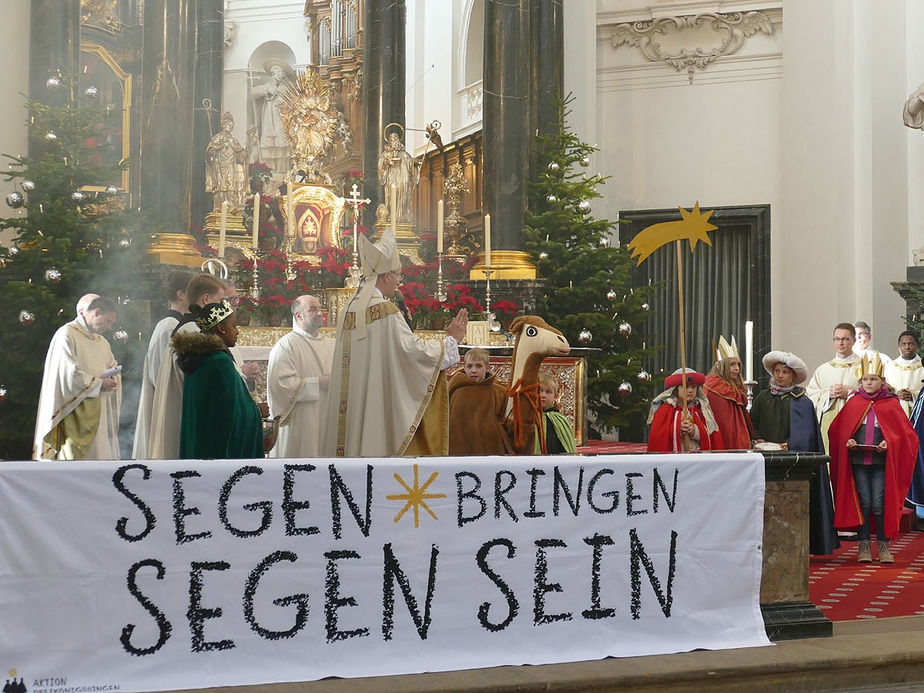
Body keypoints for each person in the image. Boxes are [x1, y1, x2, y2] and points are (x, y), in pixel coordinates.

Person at [319, 228, 468, 457]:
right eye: (399, 276)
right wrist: (450, 341)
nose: (399, 281)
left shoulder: (349, 308)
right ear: (387, 275)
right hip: (372, 412)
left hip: (348, 412)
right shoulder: (385, 310)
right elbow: (412, 353)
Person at [828, 354, 918, 563]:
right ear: (861, 382)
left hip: (880, 463)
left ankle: (884, 546)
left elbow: (907, 436)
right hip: (859, 462)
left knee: (879, 503)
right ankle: (864, 546)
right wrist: (848, 441)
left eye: (873, 379)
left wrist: (890, 443)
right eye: (866, 380)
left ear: (882, 382)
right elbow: (838, 430)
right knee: (864, 503)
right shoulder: (854, 402)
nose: (869, 383)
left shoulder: (891, 403)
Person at [751, 351, 838, 555]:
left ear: (793, 376)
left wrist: (789, 444)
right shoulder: (763, 397)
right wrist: (757, 438)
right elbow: (752, 421)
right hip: (764, 456)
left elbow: (806, 433)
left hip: (792, 461)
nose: (780, 376)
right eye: (777, 371)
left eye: (785, 372)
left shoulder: (802, 402)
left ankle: (797, 542)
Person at [148, 273, 228, 459]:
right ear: (206, 299)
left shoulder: (196, 328)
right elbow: (159, 373)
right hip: (182, 408)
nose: (224, 307)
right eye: (222, 301)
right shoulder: (182, 329)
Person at [33, 295, 121, 460]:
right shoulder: (66, 335)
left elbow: (112, 366)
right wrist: (98, 383)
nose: (109, 328)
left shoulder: (102, 342)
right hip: (72, 414)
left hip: (99, 415)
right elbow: (68, 375)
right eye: (108, 321)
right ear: (96, 312)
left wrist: (113, 378)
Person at [174, 299, 263, 459]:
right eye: (233, 326)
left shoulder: (197, 357)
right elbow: (232, 412)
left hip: (201, 445)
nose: (237, 332)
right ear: (221, 328)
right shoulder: (219, 361)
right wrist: (257, 412)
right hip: (218, 453)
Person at [132, 270, 193, 459]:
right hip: (166, 405)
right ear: (181, 294)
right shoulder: (167, 326)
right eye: (193, 291)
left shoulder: (179, 324)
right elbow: (158, 374)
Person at [266, 294, 335, 458]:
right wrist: (318, 384)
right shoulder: (286, 345)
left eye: (319, 308)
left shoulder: (333, 344)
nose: (320, 313)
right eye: (313, 309)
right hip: (301, 423)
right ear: (298, 315)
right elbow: (281, 385)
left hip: (327, 419)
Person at [806, 323, 861, 453]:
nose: (840, 343)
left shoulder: (865, 367)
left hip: (855, 422)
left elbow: (874, 395)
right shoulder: (823, 369)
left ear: (853, 340)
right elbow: (811, 394)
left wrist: (849, 393)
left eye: (845, 339)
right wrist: (827, 395)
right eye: (837, 339)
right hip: (828, 420)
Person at [448, 347, 513, 455]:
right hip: (460, 447)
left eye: (478, 366)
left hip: (490, 448)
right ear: (464, 368)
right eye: (469, 366)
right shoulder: (455, 390)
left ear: (487, 368)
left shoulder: (499, 392)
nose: (473, 370)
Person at [647, 369, 723, 453]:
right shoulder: (665, 410)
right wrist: (677, 429)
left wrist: (694, 431)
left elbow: (712, 437)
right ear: (676, 389)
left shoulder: (703, 411)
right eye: (685, 386)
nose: (690, 390)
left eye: (693, 387)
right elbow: (658, 438)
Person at [704, 336, 752, 449]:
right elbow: (723, 424)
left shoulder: (736, 388)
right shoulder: (714, 389)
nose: (737, 369)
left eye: (738, 365)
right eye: (732, 364)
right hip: (723, 446)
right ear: (720, 366)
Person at [251, 59, 295, 174]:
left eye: (276, 70)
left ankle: (283, 173)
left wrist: (283, 100)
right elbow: (254, 92)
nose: (273, 73)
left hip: (281, 120)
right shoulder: (268, 85)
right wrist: (266, 90)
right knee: (269, 147)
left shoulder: (289, 87)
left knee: (282, 146)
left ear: (283, 73)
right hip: (268, 121)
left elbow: (294, 103)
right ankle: (269, 174)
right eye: (272, 72)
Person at [205, 111, 248, 212]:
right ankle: (218, 207)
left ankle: (231, 206)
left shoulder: (234, 140)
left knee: (230, 185)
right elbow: (209, 152)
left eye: (231, 124)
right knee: (219, 186)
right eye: (227, 123)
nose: (229, 126)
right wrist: (211, 152)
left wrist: (244, 153)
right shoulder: (217, 138)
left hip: (230, 166)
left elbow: (240, 157)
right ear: (223, 124)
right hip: (219, 166)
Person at [376, 129, 415, 224]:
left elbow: (411, 163)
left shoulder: (404, 154)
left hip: (403, 179)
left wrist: (416, 164)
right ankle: (391, 217)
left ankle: (402, 217)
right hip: (392, 178)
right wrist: (387, 162)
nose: (395, 140)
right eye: (392, 138)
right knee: (392, 196)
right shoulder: (386, 153)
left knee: (404, 196)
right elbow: (380, 164)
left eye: (396, 137)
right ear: (389, 141)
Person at [885, 330, 924, 417]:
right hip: (895, 413)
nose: (907, 347)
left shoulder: (922, 367)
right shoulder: (890, 367)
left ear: (918, 346)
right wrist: (896, 394)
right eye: (904, 344)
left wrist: (912, 396)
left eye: (911, 344)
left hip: (919, 414)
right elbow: (885, 390)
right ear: (899, 346)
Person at [537, 375, 577, 454]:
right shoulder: (529, 417)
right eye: (539, 391)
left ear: (555, 396)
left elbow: (567, 447)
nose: (543, 395)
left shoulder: (559, 419)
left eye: (548, 392)